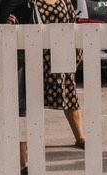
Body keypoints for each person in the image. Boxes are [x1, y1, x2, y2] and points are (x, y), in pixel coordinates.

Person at [0, 0, 32, 175]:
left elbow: (2, 16)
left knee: (1, 114)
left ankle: (14, 169)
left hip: (13, 56)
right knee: (16, 114)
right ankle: (22, 166)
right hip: (24, 54)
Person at [36, 0, 86, 149]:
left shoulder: (65, 2)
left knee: (70, 95)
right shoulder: (32, 2)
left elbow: (73, 26)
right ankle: (31, 138)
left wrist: (77, 54)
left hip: (62, 54)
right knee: (33, 99)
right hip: (38, 55)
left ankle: (80, 137)